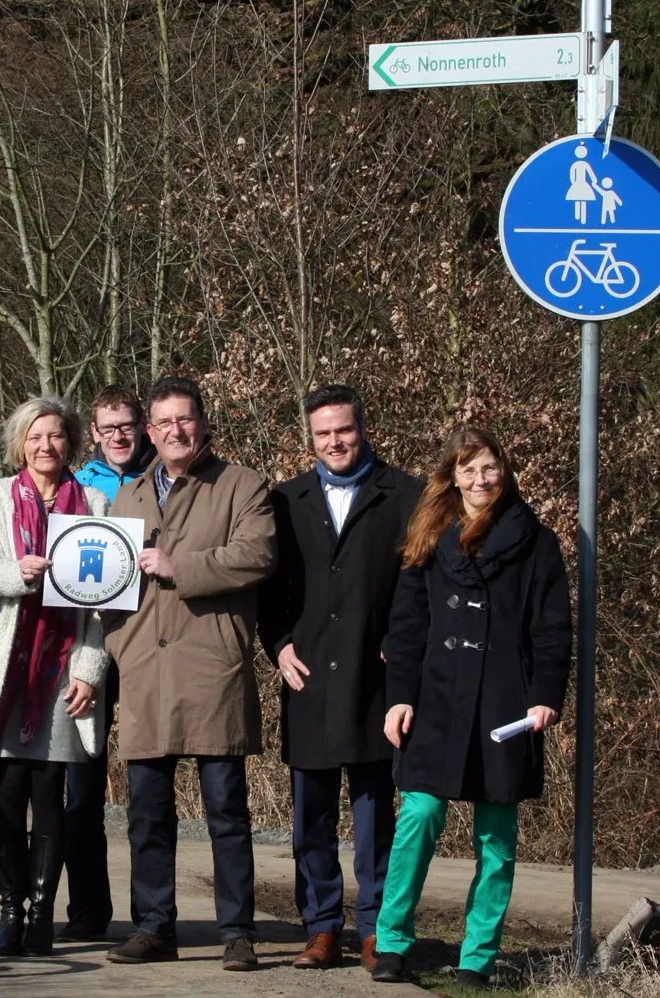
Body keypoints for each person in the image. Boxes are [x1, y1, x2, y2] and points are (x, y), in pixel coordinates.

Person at [370, 427, 572, 986]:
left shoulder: (536, 541)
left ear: (504, 472)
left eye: (488, 468)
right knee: (419, 817)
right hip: (434, 698)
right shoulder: (429, 536)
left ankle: (477, 959)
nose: (480, 480)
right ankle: (392, 942)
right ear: (452, 477)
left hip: (506, 703)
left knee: (496, 837)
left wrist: (545, 696)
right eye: (468, 469)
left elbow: (553, 628)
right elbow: (406, 626)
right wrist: (399, 697)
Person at [102, 376, 276, 972]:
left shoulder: (242, 485)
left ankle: (237, 932)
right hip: (145, 670)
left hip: (211, 668)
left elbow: (257, 554)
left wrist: (180, 566)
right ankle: (154, 926)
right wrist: (120, 645)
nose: (176, 431)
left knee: (226, 810)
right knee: (147, 814)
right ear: (150, 432)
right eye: (164, 422)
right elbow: (109, 586)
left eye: (185, 419)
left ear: (202, 422)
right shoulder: (128, 497)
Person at [260, 384, 423, 972]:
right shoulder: (284, 500)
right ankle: (322, 928)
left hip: (376, 680)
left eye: (344, 430)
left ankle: (378, 929)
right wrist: (278, 644)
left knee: (376, 817)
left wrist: (401, 648)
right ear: (310, 438)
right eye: (323, 433)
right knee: (312, 819)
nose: (335, 441)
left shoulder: (407, 495)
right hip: (307, 679)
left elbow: (418, 585)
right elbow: (268, 589)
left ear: (363, 428)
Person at [0, 396, 111, 957]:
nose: (46, 446)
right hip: (5, 667)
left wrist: (90, 671)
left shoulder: (93, 501)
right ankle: (10, 910)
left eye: (56, 435)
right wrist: (17, 572)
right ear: (19, 444)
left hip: (63, 666)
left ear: (71, 441)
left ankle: (42, 913)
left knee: (50, 795)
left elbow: (103, 597)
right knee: (10, 794)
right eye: (35, 436)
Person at [62, 383, 154, 941]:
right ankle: (88, 910)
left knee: (148, 788)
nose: (119, 436)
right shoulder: (76, 488)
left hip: (149, 643)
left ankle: (152, 917)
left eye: (127, 425)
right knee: (81, 788)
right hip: (91, 647)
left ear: (142, 426)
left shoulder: (165, 478)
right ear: (93, 432)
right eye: (108, 427)